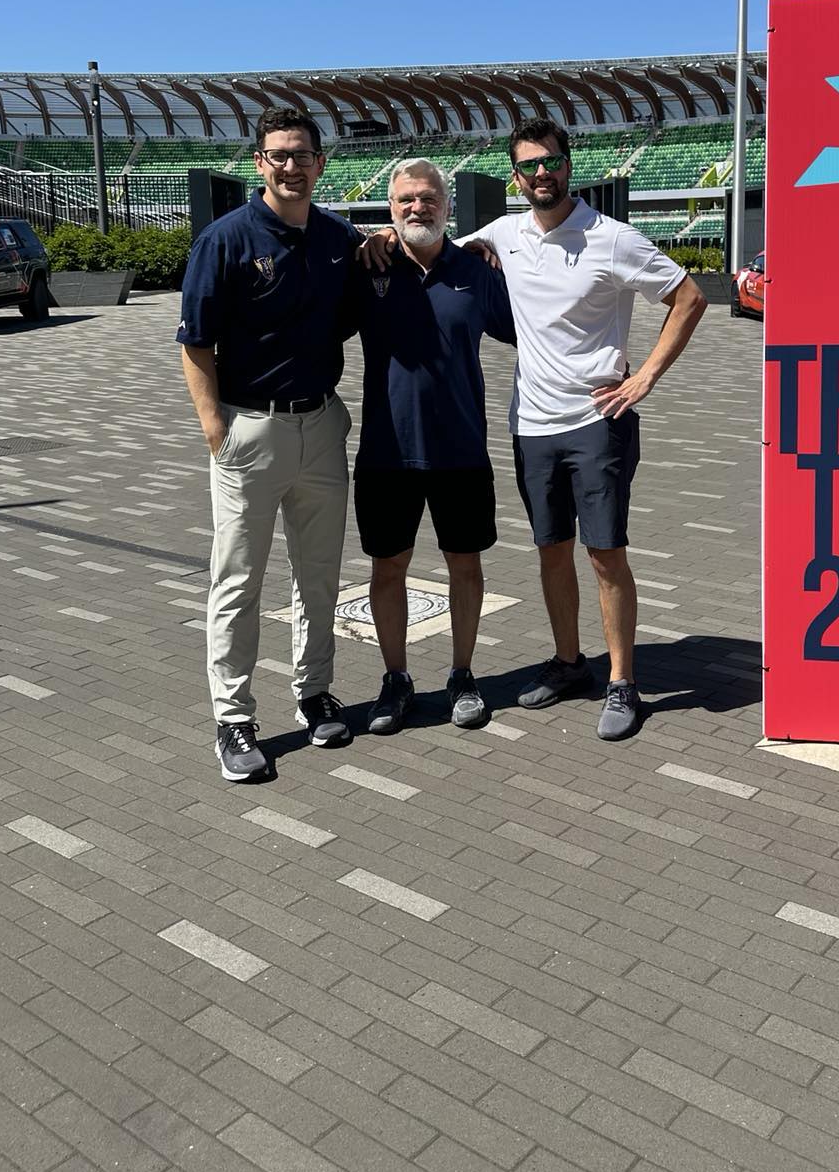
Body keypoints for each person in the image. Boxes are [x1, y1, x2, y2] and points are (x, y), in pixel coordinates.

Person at [465, 118, 707, 740]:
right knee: (551, 550)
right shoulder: (503, 233)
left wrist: (645, 376)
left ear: (568, 164)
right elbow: (434, 246)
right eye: (528, 165)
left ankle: (622, 682)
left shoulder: (612, 238)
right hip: (531, 425)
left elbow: (689, 298)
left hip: (598, 422)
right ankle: (570, 663)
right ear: (516, 177)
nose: (541, 173)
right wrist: (386, 235)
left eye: (550, 161)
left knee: (605, 554)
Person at [178, 106, 360, 781]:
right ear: (260, 163)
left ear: (320, 163)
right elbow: (196, 341)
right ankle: (233, 718)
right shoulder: (225, 239)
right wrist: (213, 425)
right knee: (238, 581)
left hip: (321, 426)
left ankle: (314, 693)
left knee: (319, 576)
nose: (291, 166)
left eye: (301, 154)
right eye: (278, 155)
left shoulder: (338, 239)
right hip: (249, 430)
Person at [354, 159, 516, 733]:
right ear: (390, 208)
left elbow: (533, 329)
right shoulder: (368, 266)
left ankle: (463, 675)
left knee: (465, 566)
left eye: (428, 198)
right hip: (386, 452)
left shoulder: (475, 269)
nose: (417, 207)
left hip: (461, 449)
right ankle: (395, 678)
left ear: (448, 206)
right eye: (406, 200)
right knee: (387, 569)